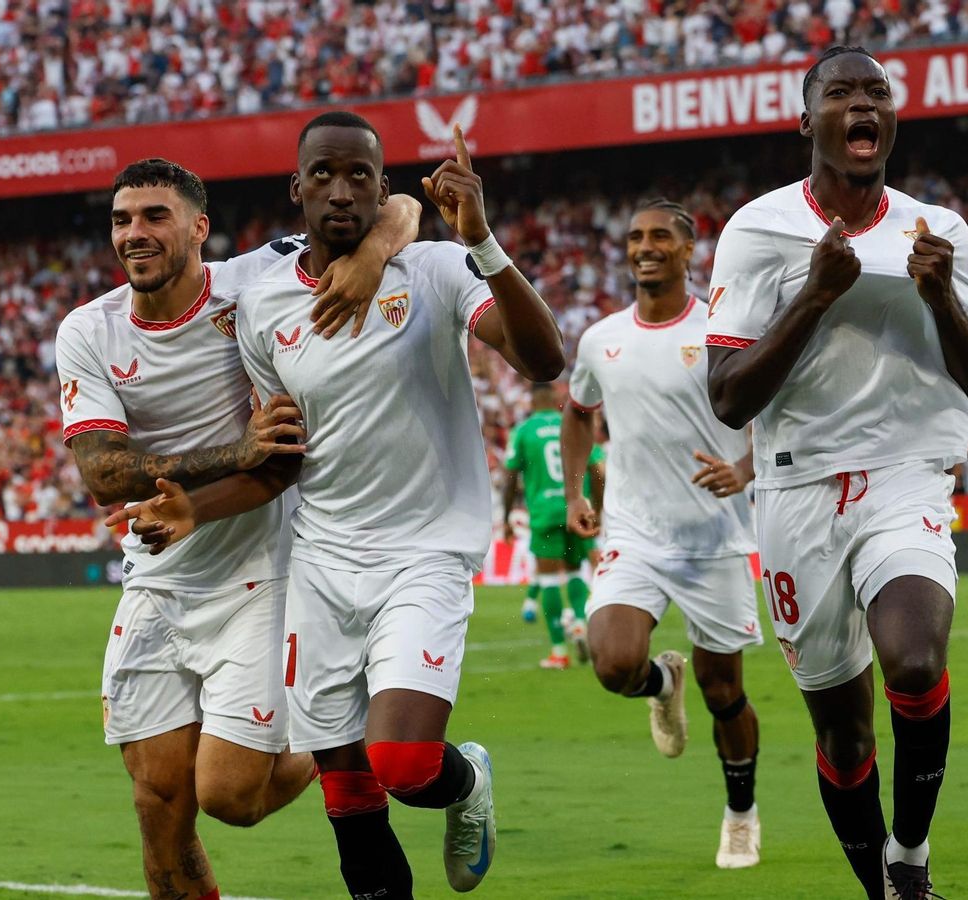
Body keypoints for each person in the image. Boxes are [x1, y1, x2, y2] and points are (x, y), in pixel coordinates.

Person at [110, 111, 564, 898]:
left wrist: (482, 241)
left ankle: (468, 785)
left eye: (361, 175)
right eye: (323, 174)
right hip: (318, 561)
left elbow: (544, 359)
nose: (342, 190)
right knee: (347, 790)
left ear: (386, 190)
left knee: (405, 763)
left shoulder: (438, 272)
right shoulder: (262, 307)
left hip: (425, 551)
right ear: (297, 189)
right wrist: (197, 508)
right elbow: (281, 461)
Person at [56, 156, 419, 900]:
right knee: (160, 804)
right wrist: (234, 450)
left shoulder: (257, 278)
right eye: (122, 220)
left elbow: (405, 207)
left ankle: (336, 734)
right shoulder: (88, 330)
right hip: (158, 577)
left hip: (264, 569)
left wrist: (371, 257)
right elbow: (103, 473)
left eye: (155, 217)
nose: (135, 234)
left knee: (230, 797)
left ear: (199, 227)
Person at [703, 46, 968, 900]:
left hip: (906, 475)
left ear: (891, 119)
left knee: (912, 662)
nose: (862, 104)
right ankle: (883, 890)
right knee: (842, 733)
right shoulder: (757, 232)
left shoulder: (940, 231)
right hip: (797, 491)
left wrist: (942, 297)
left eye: (877, 92)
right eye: (841, 92)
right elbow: (728, 399)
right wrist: (814, 295)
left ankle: (908, 859)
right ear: (809, 122)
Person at [562, 198, 764, 869]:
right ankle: (659, 685)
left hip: (716, 539)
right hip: (635, 535)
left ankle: (740, 813)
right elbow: (577, 412)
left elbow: (781, 410)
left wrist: (745, 467)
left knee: (724, 693)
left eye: (659, 237)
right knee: (613, 662)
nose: (644, 246)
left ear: (688, 250)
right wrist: (575, 493)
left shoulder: (723, 330)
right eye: (634, 236)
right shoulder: (600, 338)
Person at [502, 381, 605, 669]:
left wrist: (508, 516)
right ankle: (580, 622)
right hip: (575, 509)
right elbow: (598, 470)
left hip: (544, 512)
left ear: (532, 401)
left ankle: (559, 651)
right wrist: (596, 509)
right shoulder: (572, 425)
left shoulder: (523, 430)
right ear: (555, 398)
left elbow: (510, 476)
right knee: (575, 571)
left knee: (548, 580)